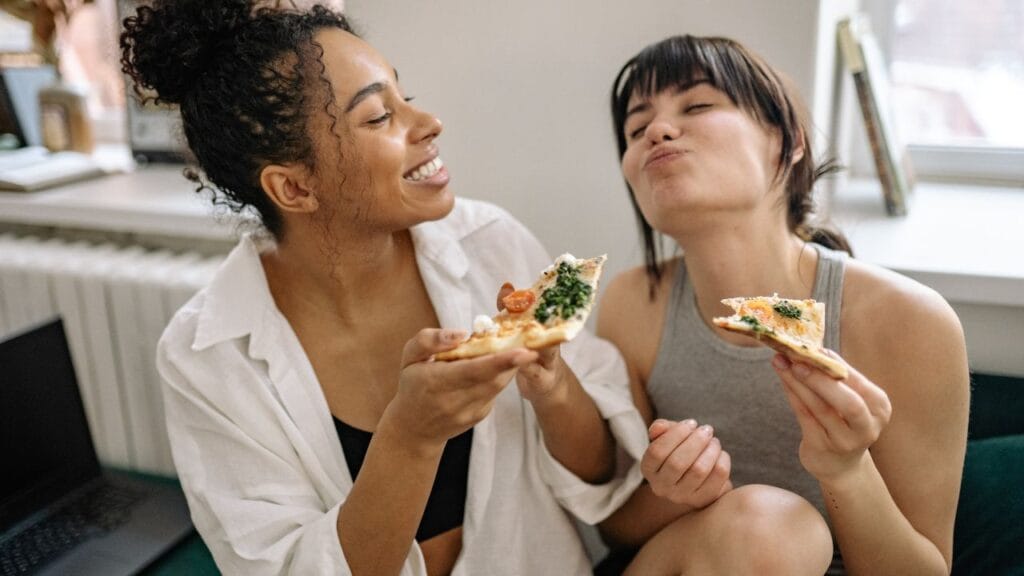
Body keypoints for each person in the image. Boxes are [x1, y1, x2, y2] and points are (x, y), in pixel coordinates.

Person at [120, 2, 650, 574]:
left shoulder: (491, 244)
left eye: (406, 96)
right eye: (378, 117)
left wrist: (552, 385)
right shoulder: (206, 354)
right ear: (294, 188)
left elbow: (606, 476)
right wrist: (411, 437)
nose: (428, 124)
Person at [595, 34, 970, 575]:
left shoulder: (911, 322)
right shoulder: (632, 303)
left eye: (696, 105)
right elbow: (614, 527)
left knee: (774, 527)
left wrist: (845, 470)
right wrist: (677, 492)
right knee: (764, 523)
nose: (657, 130)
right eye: (636, 129)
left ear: (788, 142)